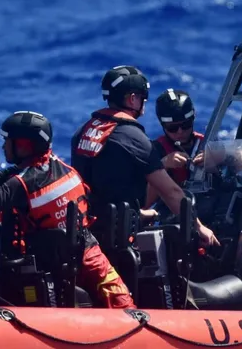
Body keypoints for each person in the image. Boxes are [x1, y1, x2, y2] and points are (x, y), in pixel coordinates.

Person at [0, 111, 135, 309]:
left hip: (55, 260)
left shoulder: (24, 183)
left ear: (24, 146)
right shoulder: (57, 165)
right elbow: (4, 176)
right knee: (122, 301)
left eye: (7, 141)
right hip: (87, 250)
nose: (2, 146)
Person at [71, 66, 218, 247]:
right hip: (118, 239)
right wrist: (199, 227)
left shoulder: (83, 132)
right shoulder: (133, 137)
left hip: (88, 233)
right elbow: (171, 192)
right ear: (133, 99)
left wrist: (139, 214)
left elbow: (102, 188)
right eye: (143, 98)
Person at [145, 88, 242, 208]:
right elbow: (146, 203)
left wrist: (223, 156)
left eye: (185, 125)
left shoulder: (206, 143)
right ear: (162, 125)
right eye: (172, 128)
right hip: (176, 215)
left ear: (193, 119)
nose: (180, 132)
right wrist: (162, 166)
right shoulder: (154, 151)